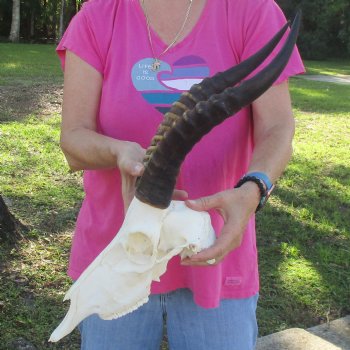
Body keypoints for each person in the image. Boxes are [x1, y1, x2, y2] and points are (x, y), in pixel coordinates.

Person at [56, 0, 304, 349]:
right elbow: (73, 140)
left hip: (214, 256)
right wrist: (119, 152)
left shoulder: (252, 11)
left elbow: (277, 127)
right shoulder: (98, 16)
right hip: (118, 259)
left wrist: (254, 188)